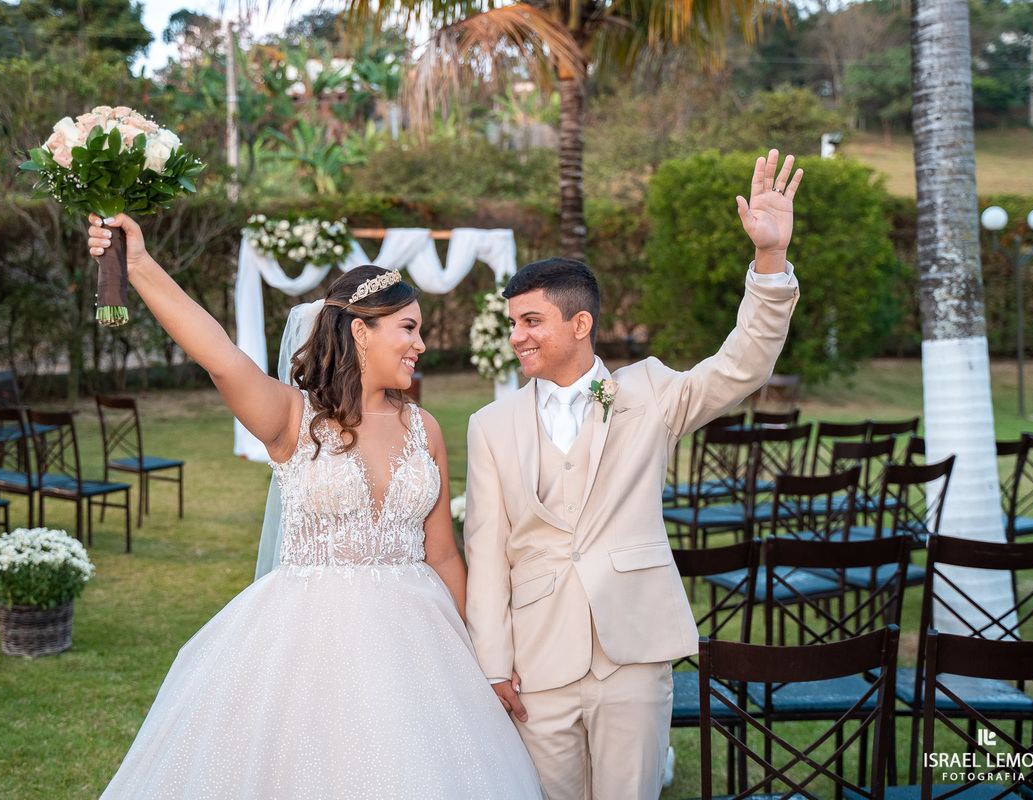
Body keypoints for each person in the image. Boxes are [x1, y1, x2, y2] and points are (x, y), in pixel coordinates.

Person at [87, 214, 545, 799]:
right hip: (308, 646)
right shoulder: (292, 419)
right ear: (361, 332)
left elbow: (445, 557)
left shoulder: (423, 428)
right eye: (408, 328)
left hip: (421, 648)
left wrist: (482, 663)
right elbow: (220, 356)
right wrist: (140, 267)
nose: (421, 344)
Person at [463, 149, 803, 800]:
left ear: (580, 323)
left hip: (634, 652)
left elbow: (743, 365)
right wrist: (492, 667)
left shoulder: (649, 392)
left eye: (530, 321)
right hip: (539, 664)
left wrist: (769, 261)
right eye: (512, 324)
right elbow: (486, 552)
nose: (517, 337)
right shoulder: (490, 425)